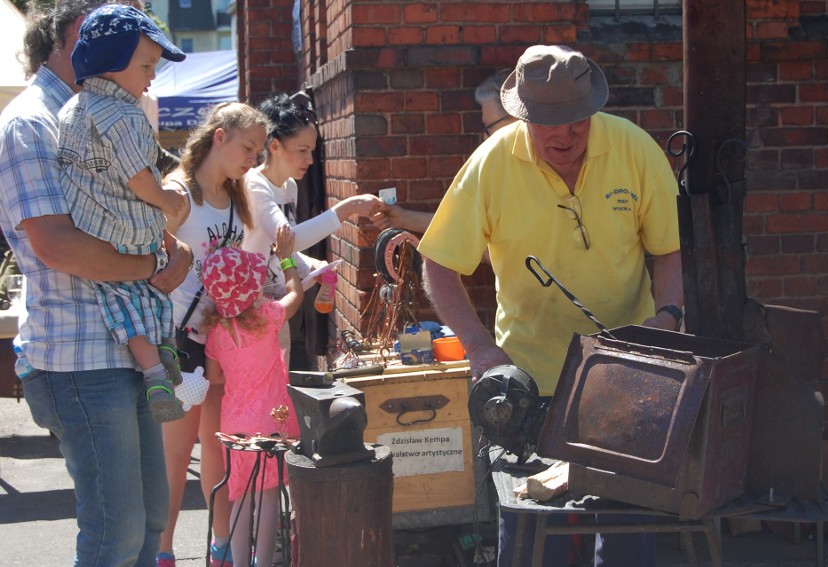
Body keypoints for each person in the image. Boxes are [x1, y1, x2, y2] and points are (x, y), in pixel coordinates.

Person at [417, 45, 684, 567]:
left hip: (625, 376)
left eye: (576, 124)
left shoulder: (636, 150)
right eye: (549, 125)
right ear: (523, 116)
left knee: (628, 536)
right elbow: (439, 265)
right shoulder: (491, 163)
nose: (564, 136)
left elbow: (668, 253)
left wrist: (668, 318)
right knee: (536, 543)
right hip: (530, 383)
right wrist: (480, 349)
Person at [0, 1, 192, 565]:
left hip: (117, 354)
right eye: (142, 53)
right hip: (79, 357)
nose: (149, 65)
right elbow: (56, 245)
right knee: (117, 535)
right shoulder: (32, 122)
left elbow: (150, 205)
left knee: (149, 521)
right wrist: (153, 271)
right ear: (81, 35)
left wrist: (160, 239)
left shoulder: (98, 110)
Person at [58, 3, 188, 422]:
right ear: (112, 64)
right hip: (132, 225)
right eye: (147, 65)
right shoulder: (125, 114)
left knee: (118, 299)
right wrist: (169, 201)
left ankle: (153, 371)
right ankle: (165, 353)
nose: (153, 76)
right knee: (156, 284)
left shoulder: (72, 108)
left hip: (91, 227)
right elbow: (139, 179)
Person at [156, 101, 270, 567]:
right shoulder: (176, 193)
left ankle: (222, 546)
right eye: (248, 147)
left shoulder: (236, 198)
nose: (253, 159)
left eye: (259, 151)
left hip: (221, 346)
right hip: (176, 345)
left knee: (219, 452)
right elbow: (151, 268)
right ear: (219, 136)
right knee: (174, 456)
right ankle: (161, 551)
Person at [243, 92, 383, 363]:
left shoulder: (289, 187)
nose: (309, 159)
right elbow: (288, 239)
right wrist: (348, 207)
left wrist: (310, 266)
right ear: (274, 146)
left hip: (275, 308)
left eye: (312, 150)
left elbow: (282, 249)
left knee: (277, 392)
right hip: (249, 310)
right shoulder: (254, 184)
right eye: (302, 150)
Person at [201, 238, 303, 567]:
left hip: (234, 425)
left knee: (240, 494)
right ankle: (264, 561)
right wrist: (287, 261)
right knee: (268, 492)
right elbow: (296, 296)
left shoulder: (216, 332)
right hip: (272, 420)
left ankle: (240, 560)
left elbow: (214, 376)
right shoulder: (269, 316)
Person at [371, 68, 516, 233]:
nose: (485, 137)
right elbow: (461, 222)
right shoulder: (495, 169)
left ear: (517, 118)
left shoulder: (538, 168)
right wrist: (404, 218)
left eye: (488, 127)